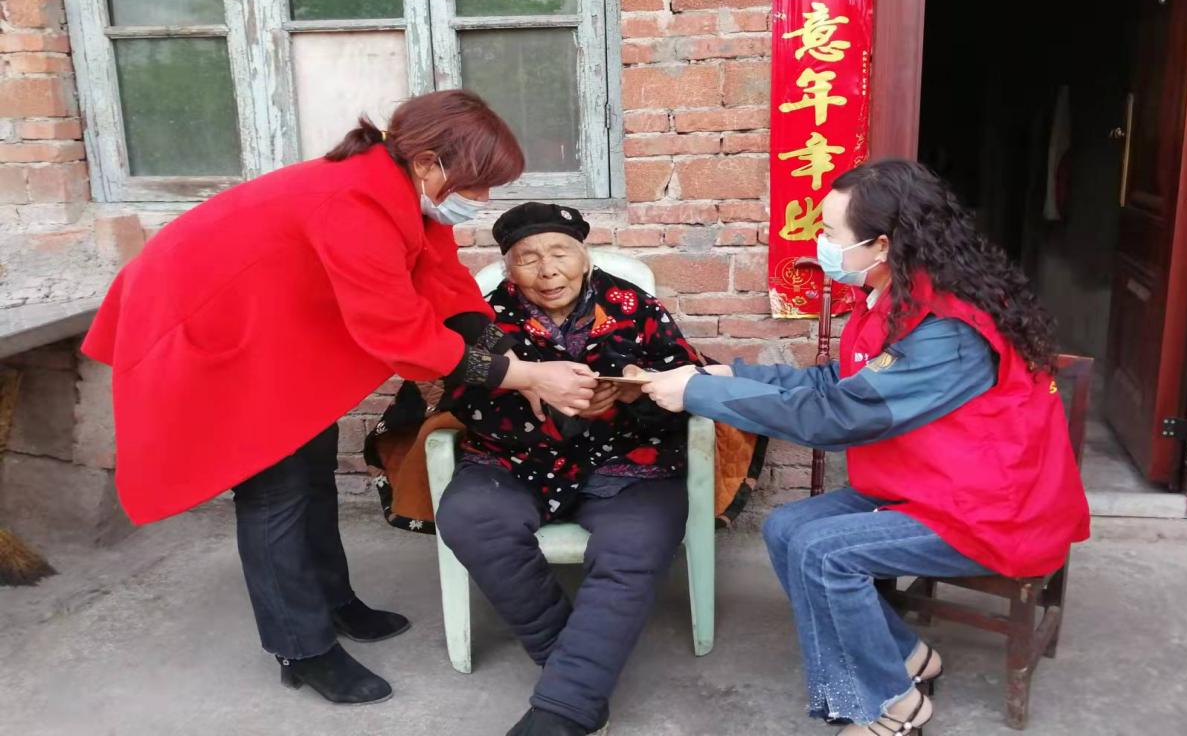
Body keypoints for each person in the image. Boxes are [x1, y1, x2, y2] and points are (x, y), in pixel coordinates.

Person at [81, 91, 599, 706]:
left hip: (271, 324)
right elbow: (402, 336)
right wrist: (523, 378)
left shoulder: (405, 192)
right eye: (478, 185)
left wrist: (514, 356)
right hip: (205, 320)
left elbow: (443, 283)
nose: (482, 201)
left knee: (312, 467)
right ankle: (301, 648)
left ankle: (333, 600)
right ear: (428, 162)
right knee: (274, 487)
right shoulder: (355, 203)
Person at [640, 160, 1090, 734]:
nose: (821, 244)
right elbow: (839, 383)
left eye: (830, 233)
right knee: (785, 529)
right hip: (926, 484)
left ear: (881, 245)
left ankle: (891, 705)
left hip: (991, 512)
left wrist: (699, 394)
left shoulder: (949, 330)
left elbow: (840, 416)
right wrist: (731, 376)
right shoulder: (894, 297)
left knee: (825, 552)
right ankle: (907, 657)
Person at [432, 202, 703, 736]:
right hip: (518, 460)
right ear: (509, 268)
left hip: (628, 460)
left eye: (560, 253)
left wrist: (631, 395)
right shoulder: (483, 318)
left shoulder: (634, 306)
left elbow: (687, 383)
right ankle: (577, 684)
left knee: (637, 542)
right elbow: (460, 396)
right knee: (470, 517)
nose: (547, 270)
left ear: (584, 257)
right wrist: (542, 397)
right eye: (528, 258)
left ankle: (562, 711)